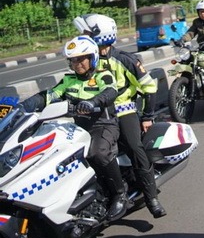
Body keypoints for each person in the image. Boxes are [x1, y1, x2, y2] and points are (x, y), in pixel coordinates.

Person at [20, 35, 128, 221]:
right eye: (73, 60)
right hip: (77, 128)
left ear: (92, 57)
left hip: (104, 125)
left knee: (98, 153)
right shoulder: (68, 81)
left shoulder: (103, 75)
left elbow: (111, 91)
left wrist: (93, 101)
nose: (77, 63)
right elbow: (47, 96)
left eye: (81, 59)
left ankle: (120, 194)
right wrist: (22, 107)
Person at [72, 14, 166, 218]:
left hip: (123, 110)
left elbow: (149, 86)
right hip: (95, 114)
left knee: (134, 148)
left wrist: (148, 116)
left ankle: (151, 198)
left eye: (86, 33)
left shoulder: (124, 59)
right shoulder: (87, 60)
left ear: (100, 36)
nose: (82, 36)